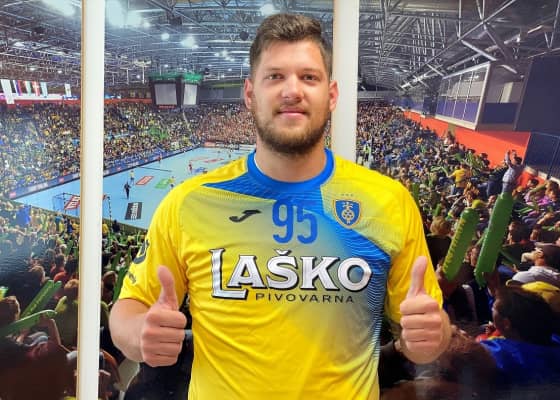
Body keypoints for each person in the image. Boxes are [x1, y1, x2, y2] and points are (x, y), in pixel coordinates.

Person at [110, 13, 450, 400]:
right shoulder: (188, 203)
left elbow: (430, 335)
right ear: (250, 94)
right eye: (275, 76)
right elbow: (127, 309)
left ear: (332, 95)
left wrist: (432, 335)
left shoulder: (388, 201)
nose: (292, 90)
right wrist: (139, 333)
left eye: (309, 77)